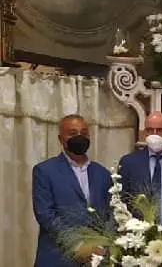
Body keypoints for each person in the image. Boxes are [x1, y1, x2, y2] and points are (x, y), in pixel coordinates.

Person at [32, 114, 112, 267]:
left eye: (84, 133)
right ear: (61, 139)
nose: (79, 137)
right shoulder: (44, 171)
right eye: (73, 133)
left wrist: (102, 246)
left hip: (98, 259)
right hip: (57, 258)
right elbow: (45, 215)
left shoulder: (103, 173)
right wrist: (77, 246)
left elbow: (111, 213)